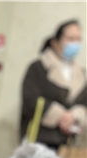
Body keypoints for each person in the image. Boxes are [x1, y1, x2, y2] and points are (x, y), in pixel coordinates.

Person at [21, 19, 87, 149]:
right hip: (41, 140)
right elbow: (30, 99)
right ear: (56, 41)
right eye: (70, 38)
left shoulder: (82, 74)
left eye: (78, 39)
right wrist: (60, 116)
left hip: (71, 143)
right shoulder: (39, 67)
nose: (75, 43)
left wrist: (75, 116)